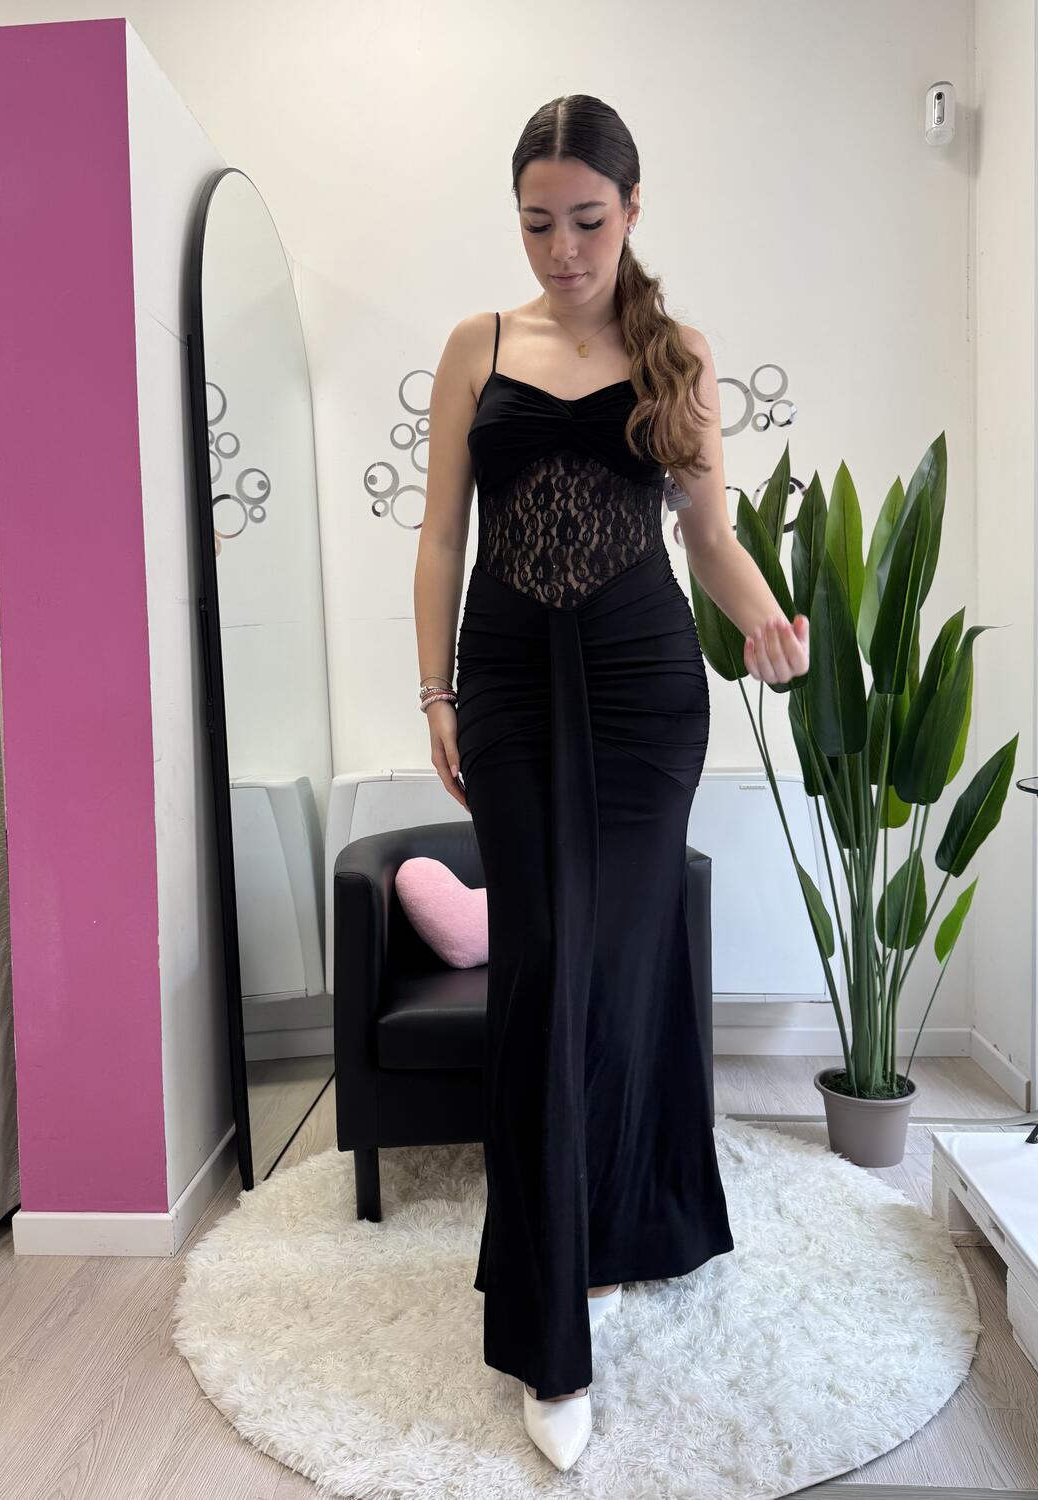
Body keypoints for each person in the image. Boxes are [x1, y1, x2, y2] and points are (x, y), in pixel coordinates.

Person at [412, 93, 810, 1471]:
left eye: (587, 220)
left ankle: (622, 1227)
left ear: (632, 211)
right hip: (511, 685)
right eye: (538, 223)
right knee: (541, 970)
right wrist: (434, 693)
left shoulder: (675, 354)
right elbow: (442, 538)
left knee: (626, 965)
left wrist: (763, 622)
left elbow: (710, 535)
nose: (563, 250)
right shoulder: (477, 345)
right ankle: (548, 1327)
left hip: (645, 692)